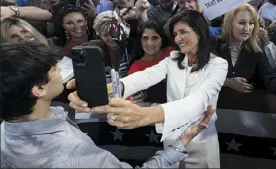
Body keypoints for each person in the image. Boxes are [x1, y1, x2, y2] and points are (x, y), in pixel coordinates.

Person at [0, 41, 215, 168]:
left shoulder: (4, 131)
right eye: (53, 67)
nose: (60, 69)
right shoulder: (75, 155)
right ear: (39, 89)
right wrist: (182, 141)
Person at [68, 10, 228, 168]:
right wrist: (104, 90)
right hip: (172, 139)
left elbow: (199, 100)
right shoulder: (172, 59)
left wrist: (145, 116)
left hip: (201, 140)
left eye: (183, 32)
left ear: (199, 32)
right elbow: (143, 77)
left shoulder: (219, 64)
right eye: (175, 33)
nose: (178, 38)